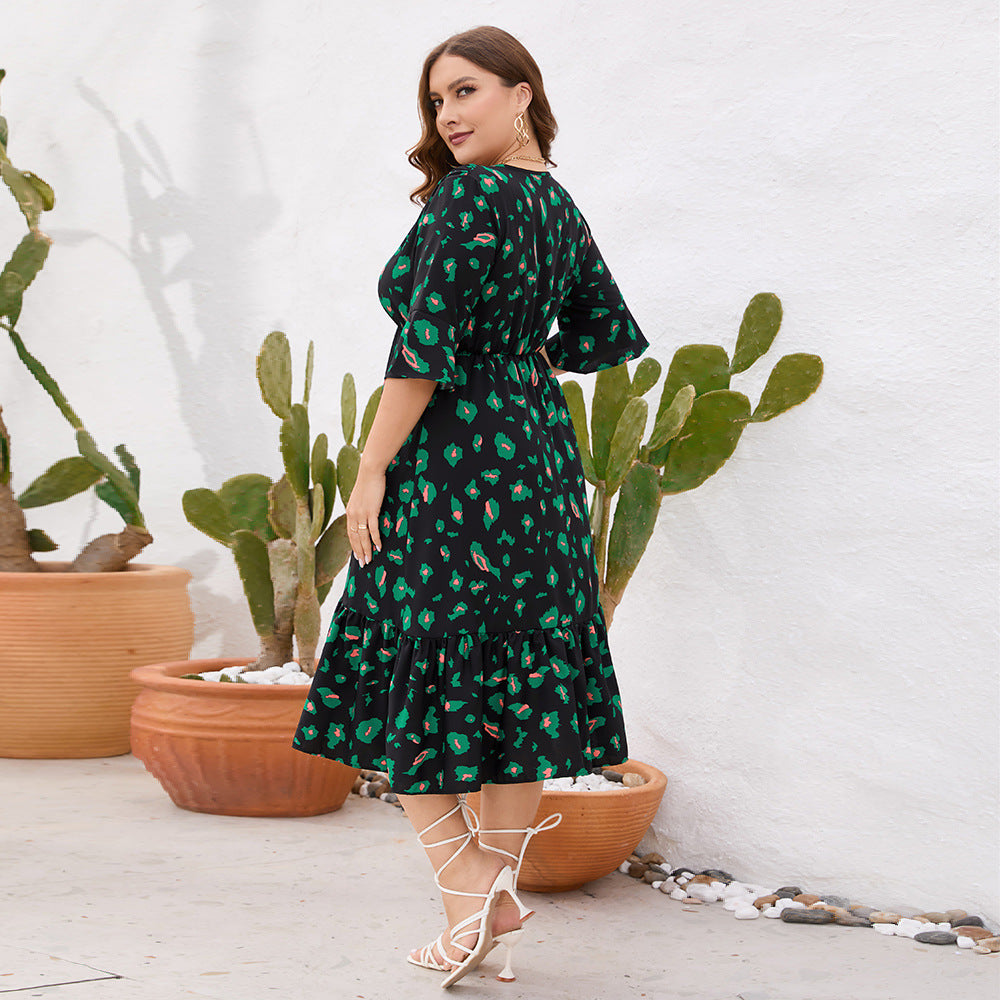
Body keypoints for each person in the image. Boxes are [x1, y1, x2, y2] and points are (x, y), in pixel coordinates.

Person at [292, 24, 649, 988]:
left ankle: (471, 892)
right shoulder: (555, 204)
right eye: (436, 100)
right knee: (511, 673)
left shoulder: (472, 197)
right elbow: (603, 334)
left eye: (466, 91)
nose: (447, 115)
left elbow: (421, 353)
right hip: (536, 454)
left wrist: (371, 469)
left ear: (521, 93)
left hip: (449, 462)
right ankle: (490, 902)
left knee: (404, 658)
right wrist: (518, 358)